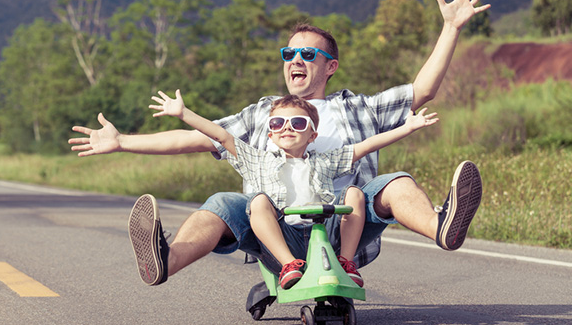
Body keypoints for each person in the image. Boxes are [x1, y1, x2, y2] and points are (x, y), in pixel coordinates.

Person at [69, 0, 488, 287]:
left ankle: (441, 227)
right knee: (222, 203)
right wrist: (123, 141)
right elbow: (202, 138)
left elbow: (423, 90)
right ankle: (164, 259)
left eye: (308, 53)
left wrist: (451, 27)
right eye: (289, 53)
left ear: (330, 66)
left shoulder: (357, 107)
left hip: (346, 226)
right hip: (276, 229)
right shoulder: (264, 113)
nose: (295, 59)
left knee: (395, 183)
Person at [149, 89, 439, 288]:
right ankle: (289, 267)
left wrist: (407, 128)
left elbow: (365, 146)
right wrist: (184, 113)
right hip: (282, 240)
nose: (287, 127)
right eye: (278, 122)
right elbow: (222, 136)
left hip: (325, 236)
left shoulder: (325, 162)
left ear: (312, 134)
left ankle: (347, 264)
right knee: (259, 201)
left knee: (354, 193)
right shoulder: (257, 159)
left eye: (297, 123)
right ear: (271, 133)